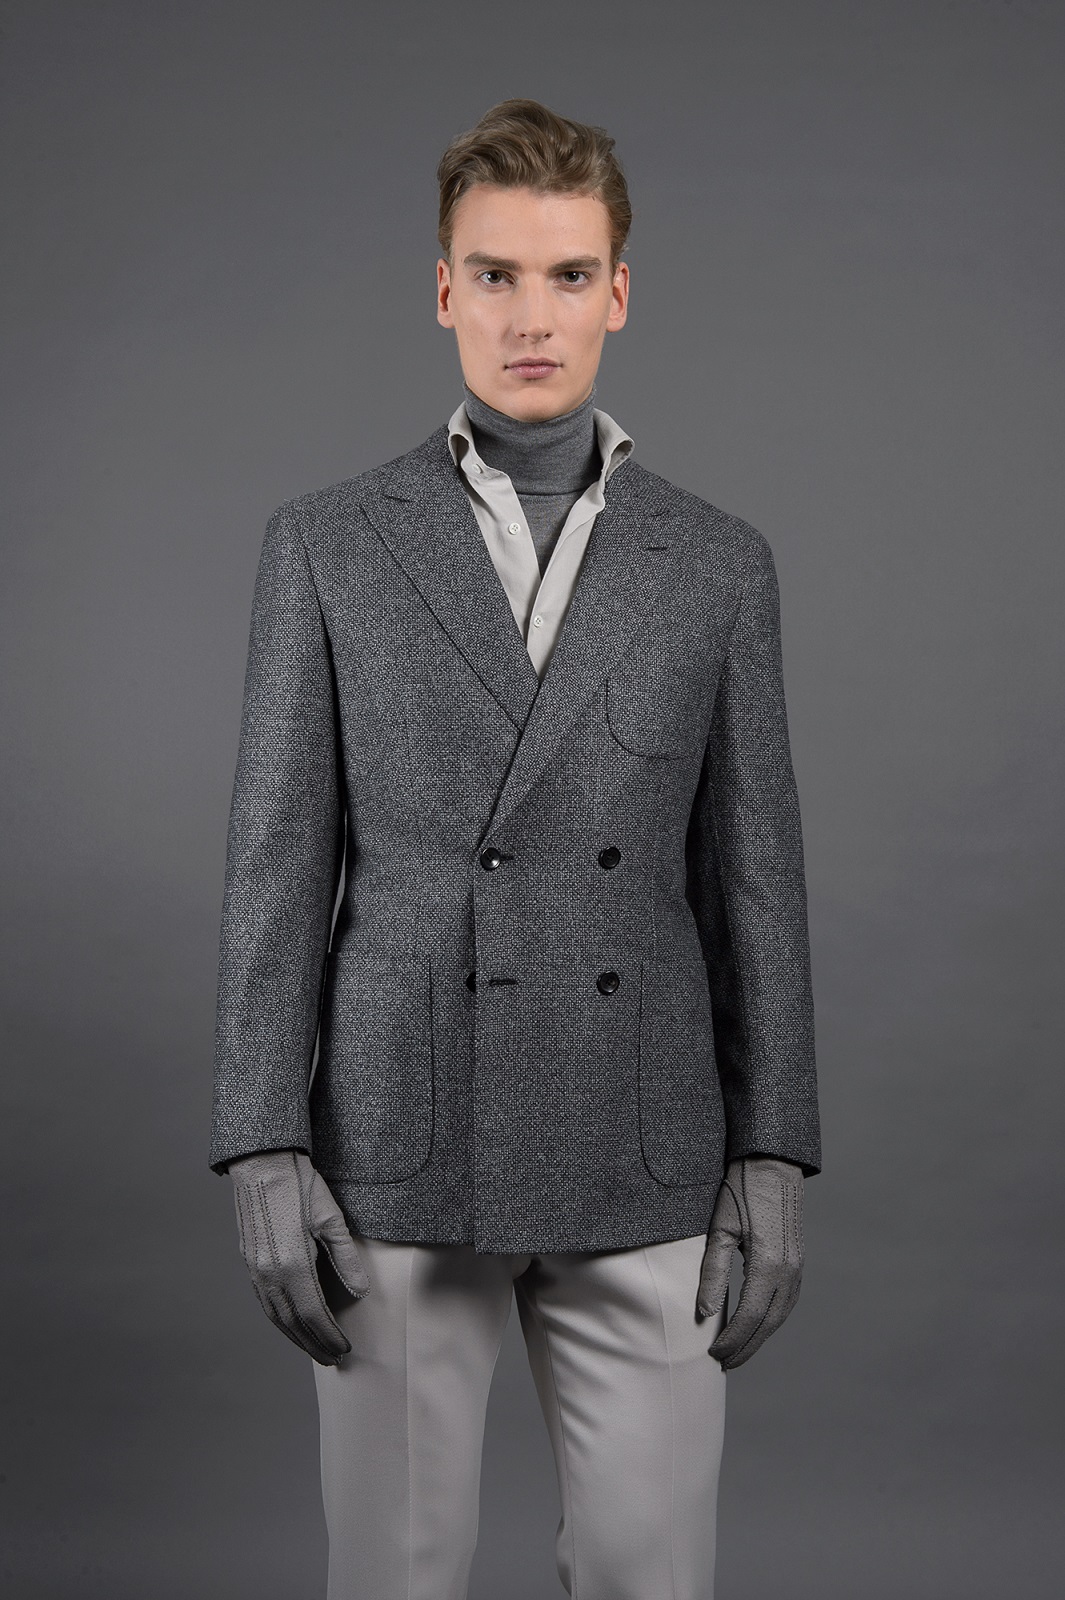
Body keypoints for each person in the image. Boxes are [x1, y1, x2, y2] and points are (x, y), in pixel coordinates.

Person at [210, 97, 820, 1600]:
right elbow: (278, 863)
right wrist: (260, 1137)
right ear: (443, 290)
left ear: (619, 292)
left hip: (643, 1138)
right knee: (395, 1574)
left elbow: (753, 877)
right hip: (396, 1136)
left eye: (566, 275)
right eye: (493, 274)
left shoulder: (717, 562)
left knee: (645, 1571)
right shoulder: (328, 544)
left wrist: (776, 1146)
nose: (529, 316)